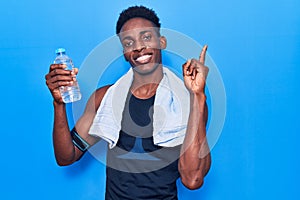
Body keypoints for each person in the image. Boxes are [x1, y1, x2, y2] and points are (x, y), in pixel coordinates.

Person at [45, 5, 211, 200]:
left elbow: (193, 179)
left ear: (162, 42)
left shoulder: (188, 102)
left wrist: (198, 96)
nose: (139, 47)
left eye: (147, 37)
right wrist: (59, 104)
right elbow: (66, 156)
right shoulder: (104, 98)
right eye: (129, 42)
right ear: (124, 52)